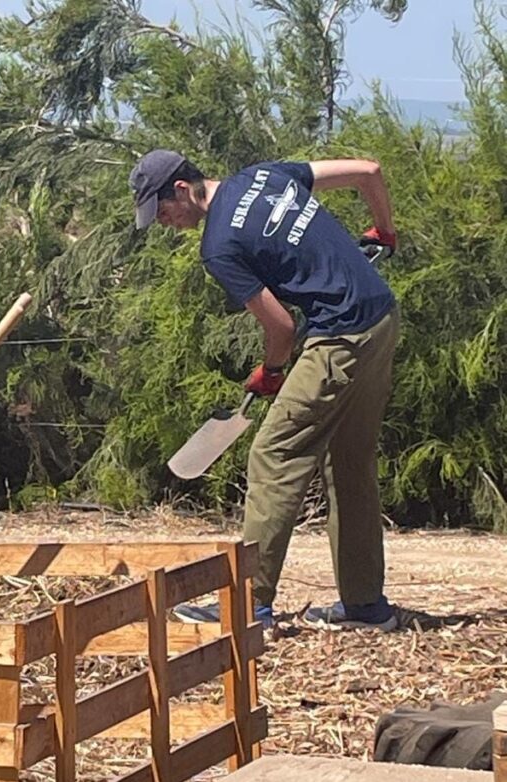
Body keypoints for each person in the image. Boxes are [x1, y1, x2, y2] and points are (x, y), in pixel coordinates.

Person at [129, 149, 399, 630]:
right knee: (350, 461)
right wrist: (384, 229)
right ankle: (365, 607)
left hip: (339, 337)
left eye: (163, 211)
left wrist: (272, 372)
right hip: (380, 318)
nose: (164, 223)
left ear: (181, 189)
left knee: (273, 455)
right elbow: (368, 172)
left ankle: (248, 603)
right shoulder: (262, 176)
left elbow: (281, 326)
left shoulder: (218, 246)